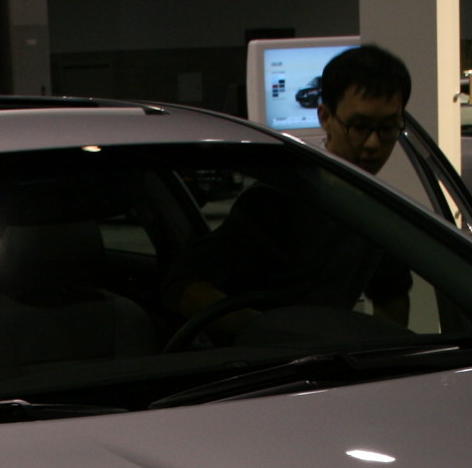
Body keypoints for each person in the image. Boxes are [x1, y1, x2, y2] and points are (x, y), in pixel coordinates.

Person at [169, 45, 413, 340]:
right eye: (359, 127)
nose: (373, 144)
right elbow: (186, 288)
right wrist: (272, 336)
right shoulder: (278, 200)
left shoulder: (377, 209)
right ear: (325, 117)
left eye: (387, 128)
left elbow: (391, 295)